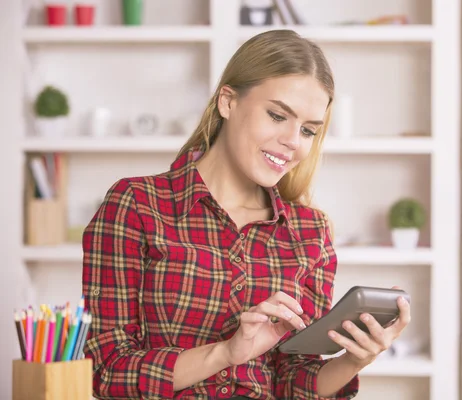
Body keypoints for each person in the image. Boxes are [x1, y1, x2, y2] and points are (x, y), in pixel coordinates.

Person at [81, 29, 411, 399]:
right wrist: (225, 353)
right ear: (228, 101)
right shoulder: (137, 205)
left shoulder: (309, 232)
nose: (292, 141)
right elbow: (107, 373)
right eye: (276, 115)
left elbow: (292, 380)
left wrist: (352, 360)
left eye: (307, 130)